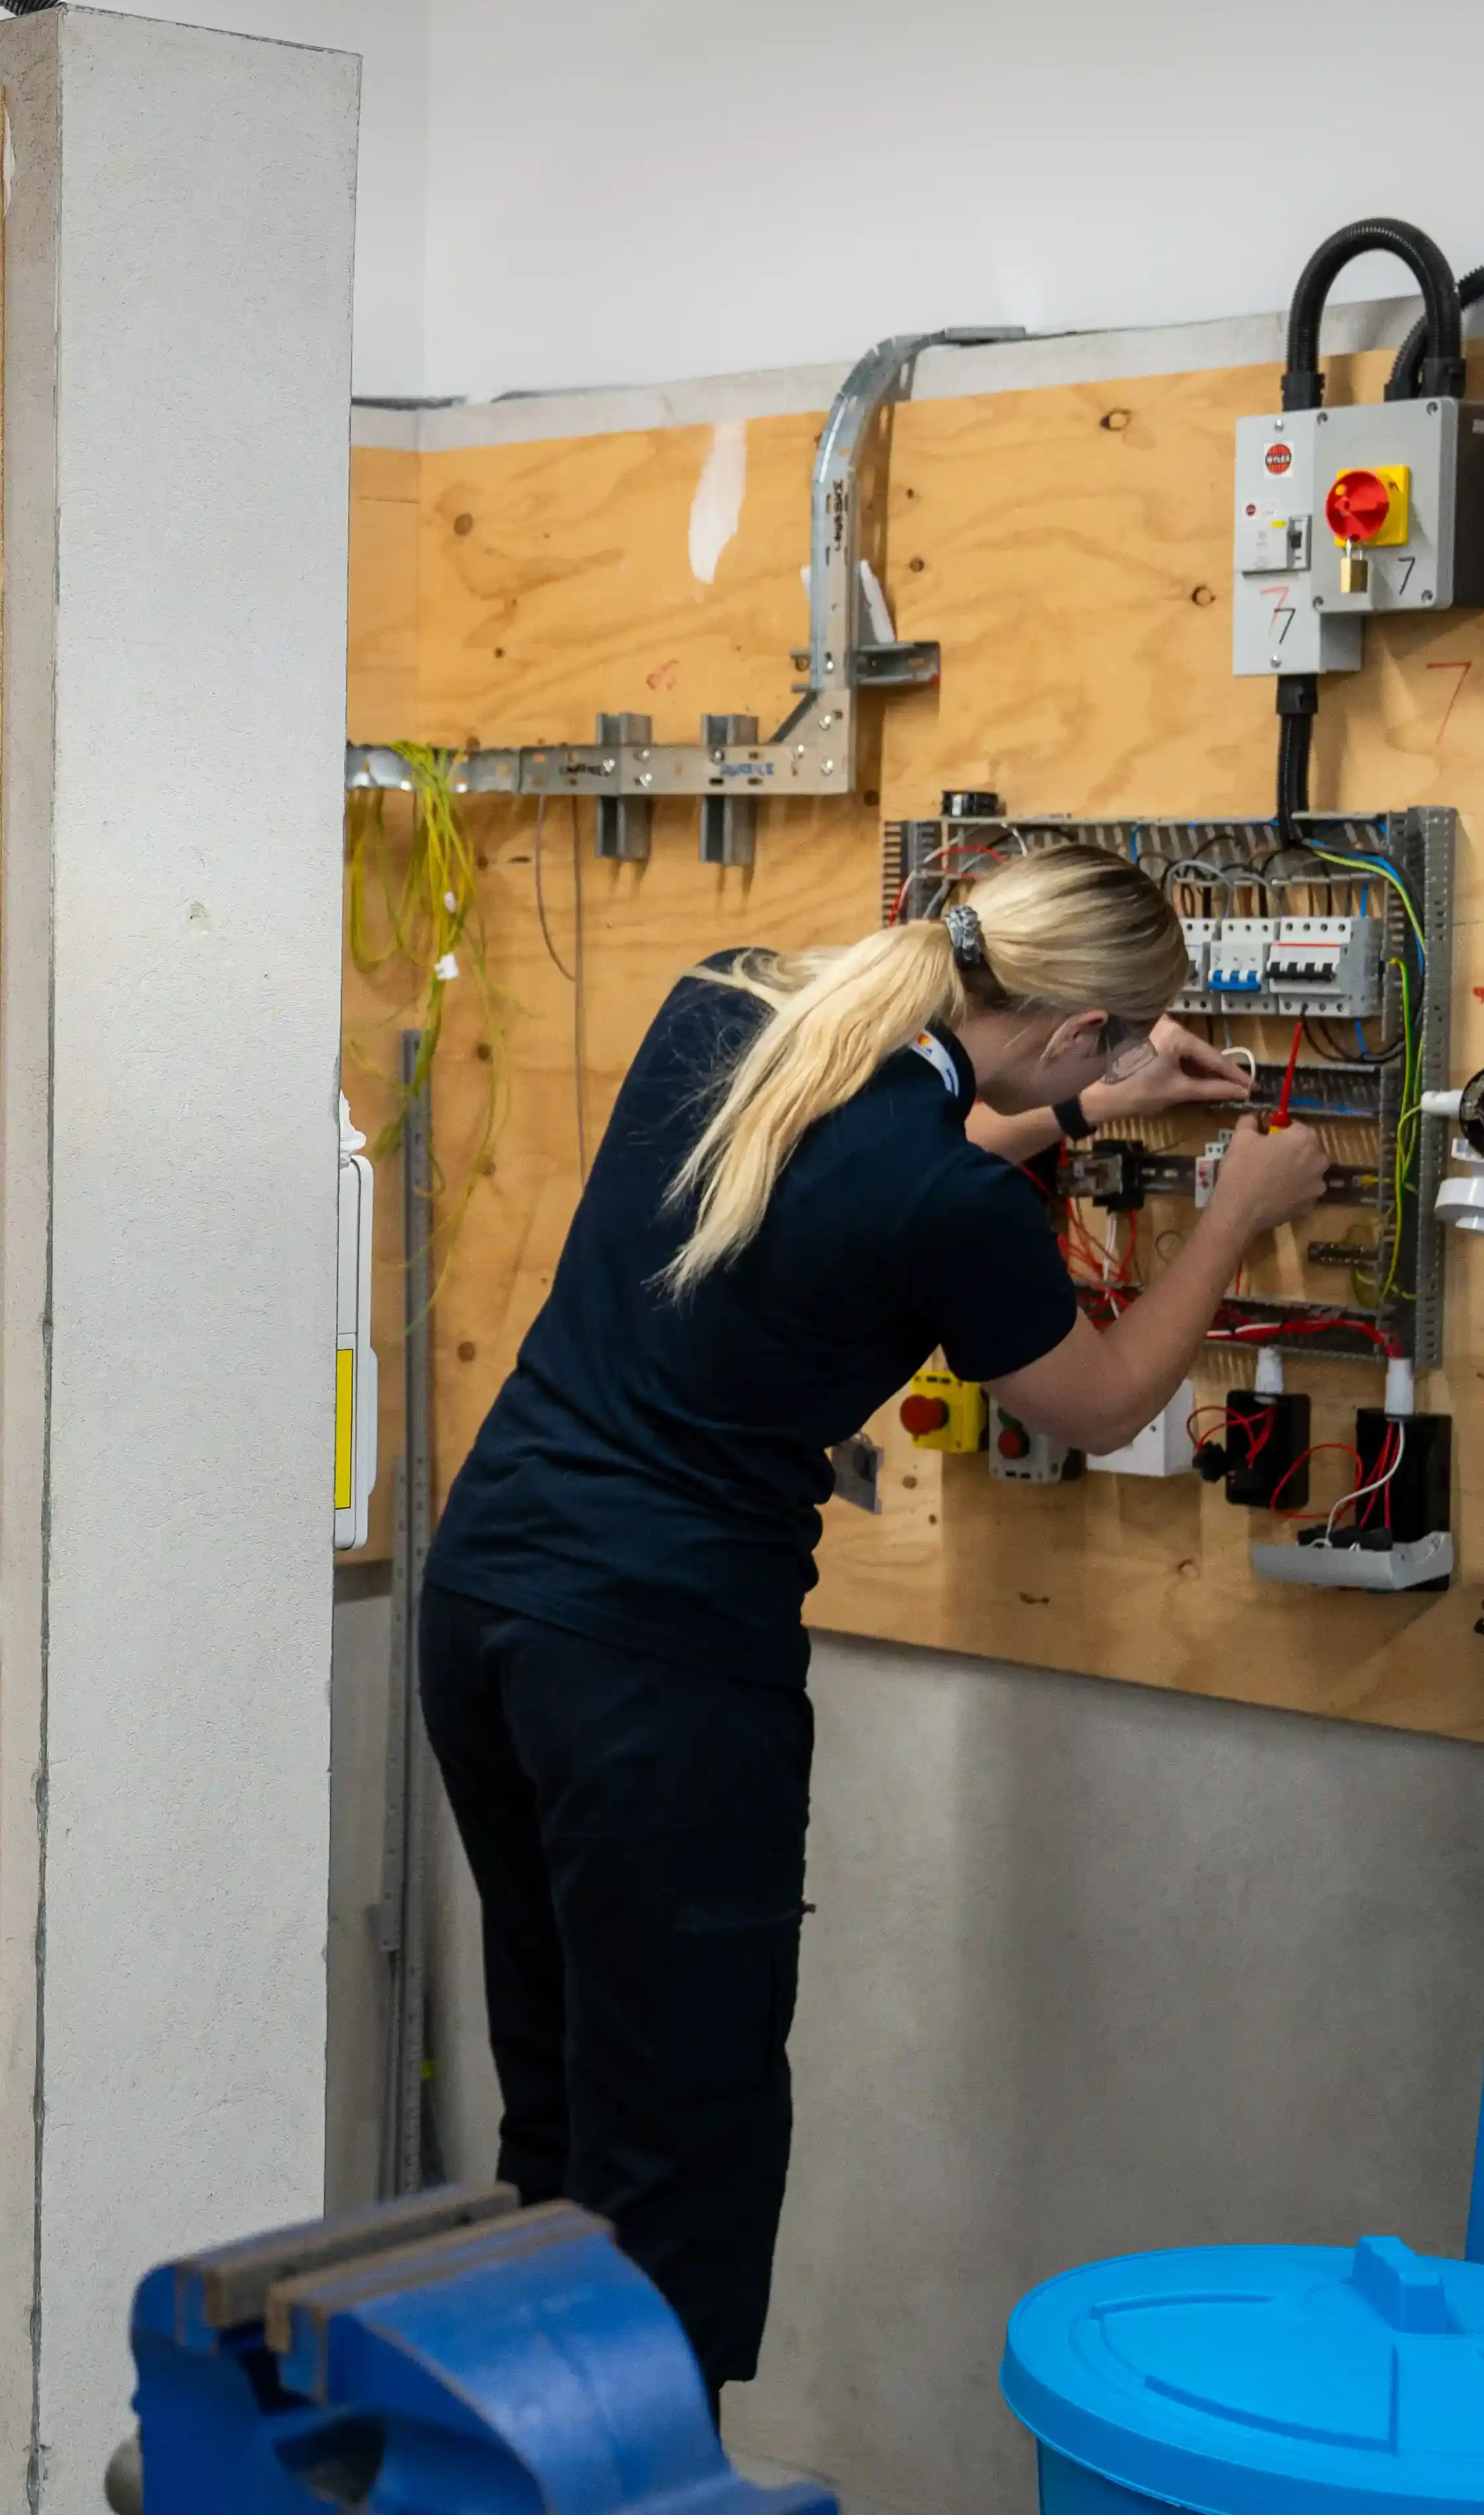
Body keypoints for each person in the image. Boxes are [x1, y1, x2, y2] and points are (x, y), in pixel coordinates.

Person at [415, 842, 1334, 2406]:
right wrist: (1235, 1209)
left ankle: (539, 2451)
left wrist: (1086, 1103)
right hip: (656, 1671)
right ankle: (644, 2483)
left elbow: (879, 1150)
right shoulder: (953, 1200)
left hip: (494, 1599)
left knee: (567, 2087)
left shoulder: (729, 1009)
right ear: (1069, 1025)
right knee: (684, 2137)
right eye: (1112, 1039)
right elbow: (1103, 1402)